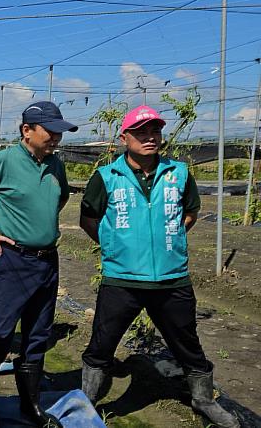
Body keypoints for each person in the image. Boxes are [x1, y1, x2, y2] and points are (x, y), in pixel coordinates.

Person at [79, 106, 239, 428]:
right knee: (102, 344)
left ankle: (203, 399)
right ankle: (86, 403)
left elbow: (190, 212)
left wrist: (170, 240)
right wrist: (115, 245)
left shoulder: (178, 173)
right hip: (121, 280)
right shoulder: (106, 177)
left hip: (171, 279)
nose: (150, 137)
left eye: (155, 131)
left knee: (188, 344)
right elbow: (88, 218)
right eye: (141, 132)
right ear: (124, 137)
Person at [0, 101, 77, 428]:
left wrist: (40, 224)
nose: (56, 139)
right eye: (50, 132)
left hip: (46, 262)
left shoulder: (55, 166)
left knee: (37, 336)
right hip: (11, 261)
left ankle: (30, 406)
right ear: (27, 131)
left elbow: (60, 198)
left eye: (59, 133)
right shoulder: (3, 161)